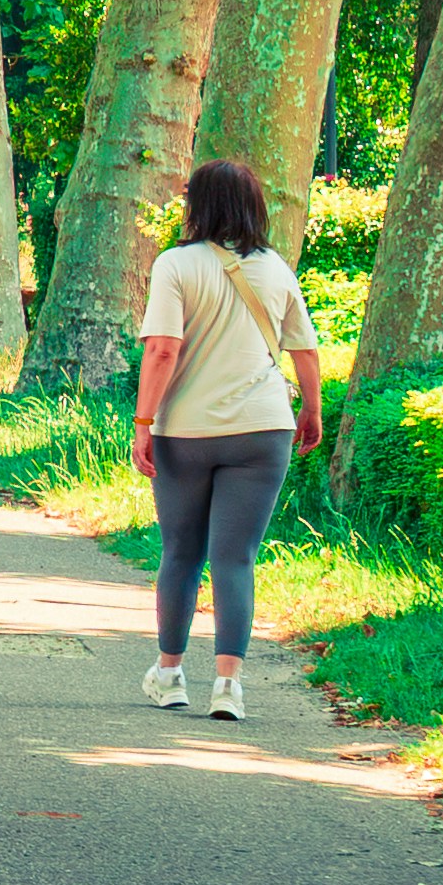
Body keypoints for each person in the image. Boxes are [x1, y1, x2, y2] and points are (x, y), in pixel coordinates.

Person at [132, 158, 327, 721]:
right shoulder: (275, 268)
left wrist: (144, 424)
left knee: (181, 553)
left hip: (187, 432)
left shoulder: (175, 265)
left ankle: (170, 675)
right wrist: (311, 411)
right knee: (235, 559)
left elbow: (162, 349)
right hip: (264, 429)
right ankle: (229, 688)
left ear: (197, 205)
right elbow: (304, 351)